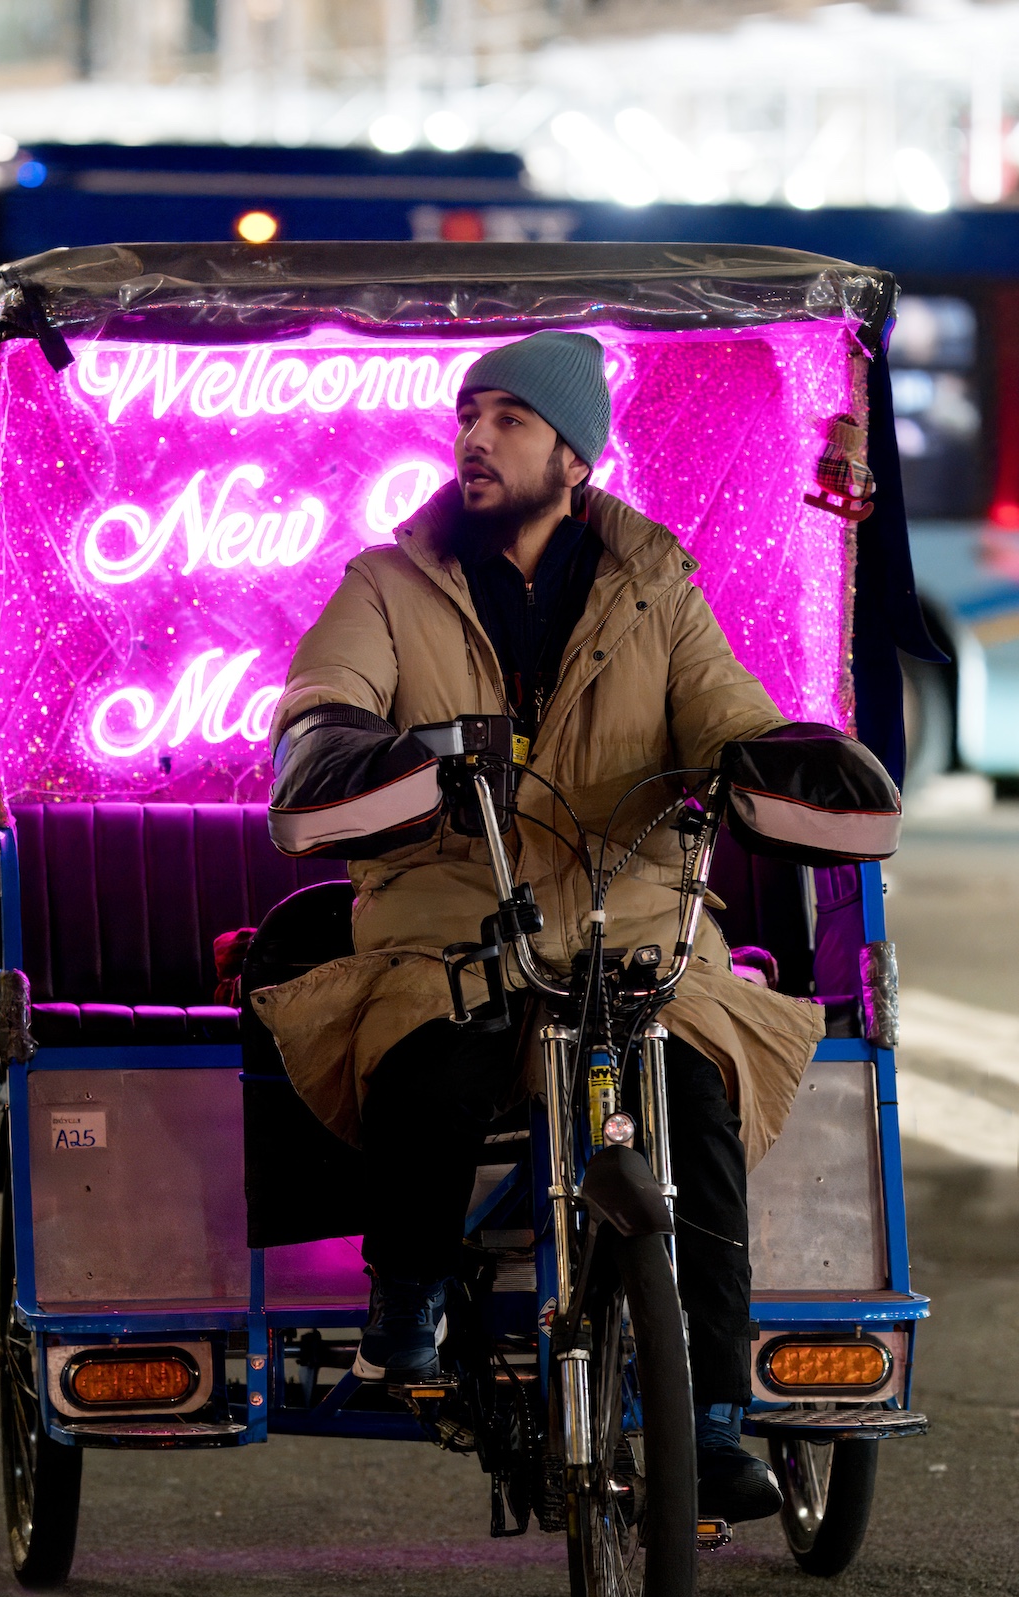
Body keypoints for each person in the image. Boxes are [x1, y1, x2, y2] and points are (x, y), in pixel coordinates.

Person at [256, 329, 826, 1523]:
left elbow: (728, 712)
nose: (474, 437)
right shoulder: (387, 583)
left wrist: (791, 766)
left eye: (509, 418)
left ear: (575, 455)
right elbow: (323, 700)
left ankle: (714, 1419)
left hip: (632, 924)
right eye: (469, 414)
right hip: (454, 917)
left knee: (692, 1097)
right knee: (431, 1053)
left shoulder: (653, 582)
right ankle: (401, 1313)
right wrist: (356, 752)